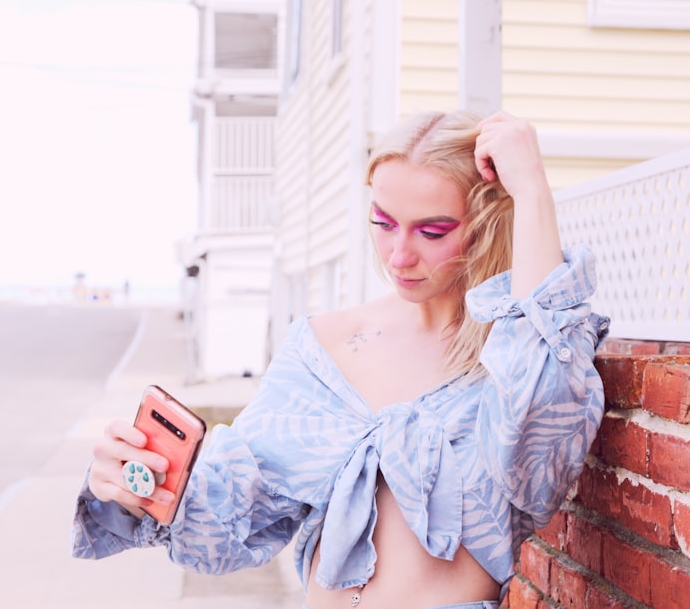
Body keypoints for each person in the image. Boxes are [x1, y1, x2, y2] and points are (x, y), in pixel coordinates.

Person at [72, 110, 609, 609]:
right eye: (383, 222)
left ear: (487, 222)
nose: (399, 255)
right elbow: (231, 515)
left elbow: (543, 453)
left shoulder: (512, 354)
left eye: (432, 230)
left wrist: (533, 190)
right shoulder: (319, 347)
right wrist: (135, 484)